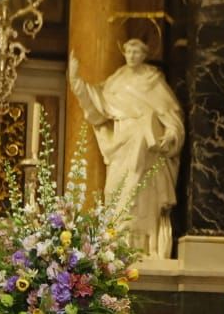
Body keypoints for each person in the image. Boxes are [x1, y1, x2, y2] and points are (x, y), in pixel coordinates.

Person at [67, 39, 185, 259]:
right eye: (128, 51)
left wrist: (170, 133)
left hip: (147, 147)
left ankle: (146, 249)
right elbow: (96, 104)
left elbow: (172, 113)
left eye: (136, 51)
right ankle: (116, 245)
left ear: (144, 54)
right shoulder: (116, 81)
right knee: (115, 191)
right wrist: (76, 81)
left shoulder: (153, 81)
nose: (131, 55)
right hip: (122, 144)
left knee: (140, 195)